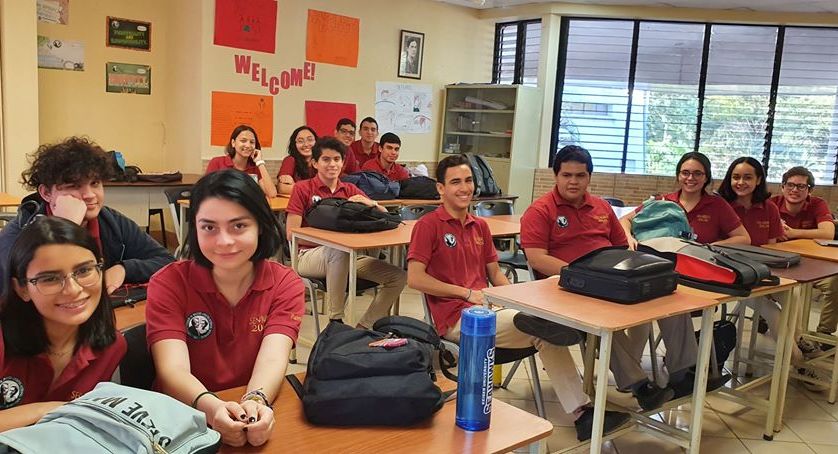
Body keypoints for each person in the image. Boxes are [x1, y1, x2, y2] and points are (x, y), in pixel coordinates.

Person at [407, 154, 630, 440]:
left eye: (468, 181)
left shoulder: (480, 226)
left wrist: (514, 296)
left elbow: (495, 274)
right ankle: (581, 412)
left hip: (492, 310)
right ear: (441, 188)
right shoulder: (428, 226)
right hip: (457, 319)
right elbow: (415, 279)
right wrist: (467, 293)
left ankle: (581, 411)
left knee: (540, 327)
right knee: (540, 328)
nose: (464, 188)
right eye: (455, 182)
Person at [523, 145, 718, 409]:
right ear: (556, 176)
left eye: (580, 175)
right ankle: (640, 386)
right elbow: (537, 258)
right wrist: (580, 275)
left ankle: (684, 373)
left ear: (589, 177)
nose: (573, 181)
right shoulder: (540, 210)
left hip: (610, 279)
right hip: (567, 287)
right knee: (603, 318)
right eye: (566, 175)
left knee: (670, 300)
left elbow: (621, 246)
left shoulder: (601, 207)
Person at [146, 170, 304, 447]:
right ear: (194, 228)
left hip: (250, 411)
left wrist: (256, 401)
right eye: (209, 227)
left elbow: (272, 359)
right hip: (179, 420)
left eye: (238, 226)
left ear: (260, 225)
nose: (224, 241)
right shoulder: (168, 283)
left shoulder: (284, 283)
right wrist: (212, 407)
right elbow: (173, 369)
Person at [0, 137, 175, 297]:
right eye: (74, 186)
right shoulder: (20, 231)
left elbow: (167, 262)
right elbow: (21, 289)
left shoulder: (111, 221)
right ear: (46, 193)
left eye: (95, 183)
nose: (90, 195)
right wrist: (66, 229)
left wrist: (124, 269)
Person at [0, 217, 126, 431]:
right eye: (49, 278)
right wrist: (49, 410)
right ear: (22, 289)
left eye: (84, 271)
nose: (73, 289)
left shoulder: (111, 345)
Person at [286, 137, 406, 329]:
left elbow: (384, 215)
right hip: (307, 256)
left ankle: (363, 327)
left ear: (343, 162)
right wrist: (328, 238)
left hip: (349, 256)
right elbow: (291, 234)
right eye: (326, 159)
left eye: (337, 159)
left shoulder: (349, 189)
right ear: (315, 163)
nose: (332, 164)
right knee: (337, 250)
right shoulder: (302, 188)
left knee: (398, 277)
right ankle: (336, 322)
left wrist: (371, 203)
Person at [770, 166, 838, 359]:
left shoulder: (817, 204)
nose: (795, 190)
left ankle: (824, 334)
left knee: (835, 282)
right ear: (782, 187)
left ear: (809, 190)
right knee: (790, 292)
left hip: (814, 266)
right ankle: (795, 339)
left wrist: (792, 233)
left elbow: (828, 233)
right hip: (781, 266)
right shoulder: (772, 204)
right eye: (790, 185)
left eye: (801, 186)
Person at [620, 151, 751, 247]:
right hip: (659, 264)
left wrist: (711, 247)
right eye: (685, 173)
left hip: (699, 266)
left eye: (697, 173)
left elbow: (744, 238)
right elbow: (624, 220)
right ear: (678, 176)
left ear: (706, 177)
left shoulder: (717, 205)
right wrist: (629, 238)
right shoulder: (662, 201)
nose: (690, 178)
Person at [206, 125, 277, 198]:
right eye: (243, 141)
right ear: (233, 143)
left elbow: (272, 194)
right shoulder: (217, 162)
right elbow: (206, 191)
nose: (248, 145)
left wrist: (260, 162)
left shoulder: (255, 168)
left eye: (252, 142)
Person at [277, 126, 318, 196]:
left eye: (310, 140)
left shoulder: (323, 161)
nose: (306, 144)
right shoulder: (290, 160)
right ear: (294, 144)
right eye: (300, 141)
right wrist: (316, 191)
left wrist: (296, 186)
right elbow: (283, 188)